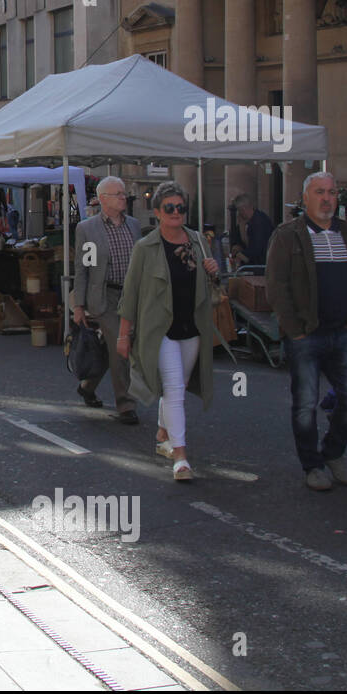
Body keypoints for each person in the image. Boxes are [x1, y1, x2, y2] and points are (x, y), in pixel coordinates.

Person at [267, 172, 347, 491]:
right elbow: (276, 285)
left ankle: (333, 452)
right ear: (305, 198)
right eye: (319, 192)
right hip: (306, 335)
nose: (327, 198)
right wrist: (294, 329)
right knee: (305, 404)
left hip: (343, 332)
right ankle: (312, 465)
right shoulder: (288, 235)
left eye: (331, 192)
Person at [116, 182, 218, 480]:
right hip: (160, 329)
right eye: (170, 208)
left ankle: (163, 433)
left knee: (180, 386)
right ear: (158, 212)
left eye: (181, 207)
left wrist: (213, 270)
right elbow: (130, 293)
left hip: (193, 326)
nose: (176, 213)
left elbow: (211, 287)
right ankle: (180, 457)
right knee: (173, 388)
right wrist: (124, 334)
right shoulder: (146, 247)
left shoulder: (198, 241)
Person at [71, 176, 144, 423]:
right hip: (104, 297)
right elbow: (83, 269)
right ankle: (126, 405)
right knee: (121, 346)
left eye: (124, 193)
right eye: (118, 194)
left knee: (109, 349)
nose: (124, 197)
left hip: (131, 295)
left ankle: (88, 386)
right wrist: (78, 306)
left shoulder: (134, 225)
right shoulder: (87, 229)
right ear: (103, 199)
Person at [229, 193, 274, 267]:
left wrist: (239, 255)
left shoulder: (260, 222)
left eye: (239, 211)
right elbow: (238, 241)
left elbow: (256, 250)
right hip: (255, 262)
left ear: (242, 209)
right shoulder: (249, 221)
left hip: (261, 265)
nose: (239, 214)